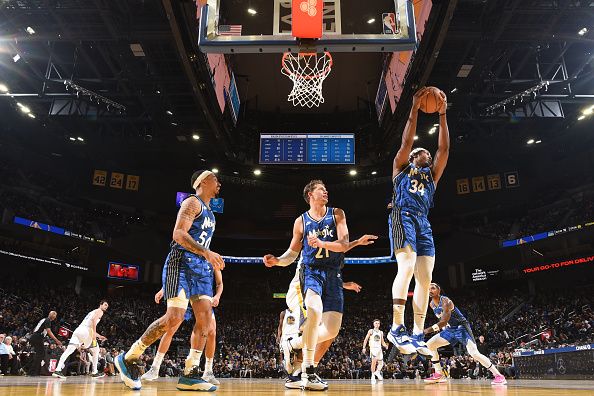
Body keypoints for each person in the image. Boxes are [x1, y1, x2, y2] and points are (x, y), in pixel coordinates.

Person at [116, 170, 224, 391]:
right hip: (181, 263)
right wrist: (206, 252)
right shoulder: (191, 203)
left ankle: (190, 373)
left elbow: (200, 242)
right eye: (215, 179)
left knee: (205, 320)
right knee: (174, 318)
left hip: (201, 269)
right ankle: (129, 357)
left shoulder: (211, 213)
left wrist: (208, 256)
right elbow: (178, 234)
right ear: (202, 182)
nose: (219, 183)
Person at [264, 179, 377, 390]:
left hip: (333, 274)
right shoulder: (301, 221)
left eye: (326, 189)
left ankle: (293, 345)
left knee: (331, 330)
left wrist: (324, 243)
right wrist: (277, 261)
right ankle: (307, 371)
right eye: (321, 190)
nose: (326, 192)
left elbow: (342, 245)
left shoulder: (337, 214)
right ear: (310, 195)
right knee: (314, 312)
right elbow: (292, 254)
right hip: (311, 271)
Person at [387, 87, 450, 355]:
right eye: (420, 151)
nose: (425, 153)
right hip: (403, 215)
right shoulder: (402, 167)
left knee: (425, 279)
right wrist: (414, 109)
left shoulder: (432, 176)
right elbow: (406, 142)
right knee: (408, 265)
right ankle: (396, 327)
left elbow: (444, 148)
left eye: (426, 151)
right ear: (414, 157)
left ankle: (415, 333)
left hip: (424, 222)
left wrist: (443, 114)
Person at [143, 267, 223, 385]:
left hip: (202, 295)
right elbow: (176, 275)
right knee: (170, 329)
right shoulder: (188, 254)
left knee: (211, 332)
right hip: (185, 294)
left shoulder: (211, 259)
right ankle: (155, 367)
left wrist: (217, 296)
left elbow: (220, 283)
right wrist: (163, 289)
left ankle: (208, 371)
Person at [423, 283, 507, 385]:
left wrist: (426, 331)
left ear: (438, 291)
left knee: (474, 353)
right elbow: (442, 320)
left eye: (433, 288)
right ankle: (439, 374)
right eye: (428, 289)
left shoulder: (446, 301)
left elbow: (443, 321)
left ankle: (499, 375)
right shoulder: (431, 304)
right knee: (430, 345)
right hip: (449, 330)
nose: (430, 290)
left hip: (461, 327)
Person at [53, 301, 108, 379]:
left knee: (68, 351)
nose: (106, 307)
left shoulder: (91, 312)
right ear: (100, 304)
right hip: (86, 332)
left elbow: (89, 325)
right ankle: (94, 372)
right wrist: (94, 337)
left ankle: (57, 370)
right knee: (96, 349)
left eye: (107, 306)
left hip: (78, 330)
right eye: (105, 305)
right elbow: (93, 322)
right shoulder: (100, 311)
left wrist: (99, 336)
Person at [28, 311, 62, 376]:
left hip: (35, 336)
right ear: (51, 315)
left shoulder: (44, 319)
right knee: (40, 354)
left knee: (40, 354)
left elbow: (36, 329)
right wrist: (56, 340)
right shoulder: (48, 320)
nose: (55, 316)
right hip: (37, 337)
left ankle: (32, 372)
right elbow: (49, 331)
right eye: (54, 314)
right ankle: (33, 372)